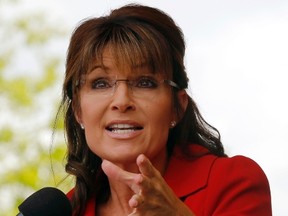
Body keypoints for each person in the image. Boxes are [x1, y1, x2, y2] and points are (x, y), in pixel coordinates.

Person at [60, 3, 272, 216]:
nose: (122, 101)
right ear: (78, 110)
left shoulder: (233, 183)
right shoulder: (65, 210)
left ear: (177, 106)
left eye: (144, 82)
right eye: (100, 84)